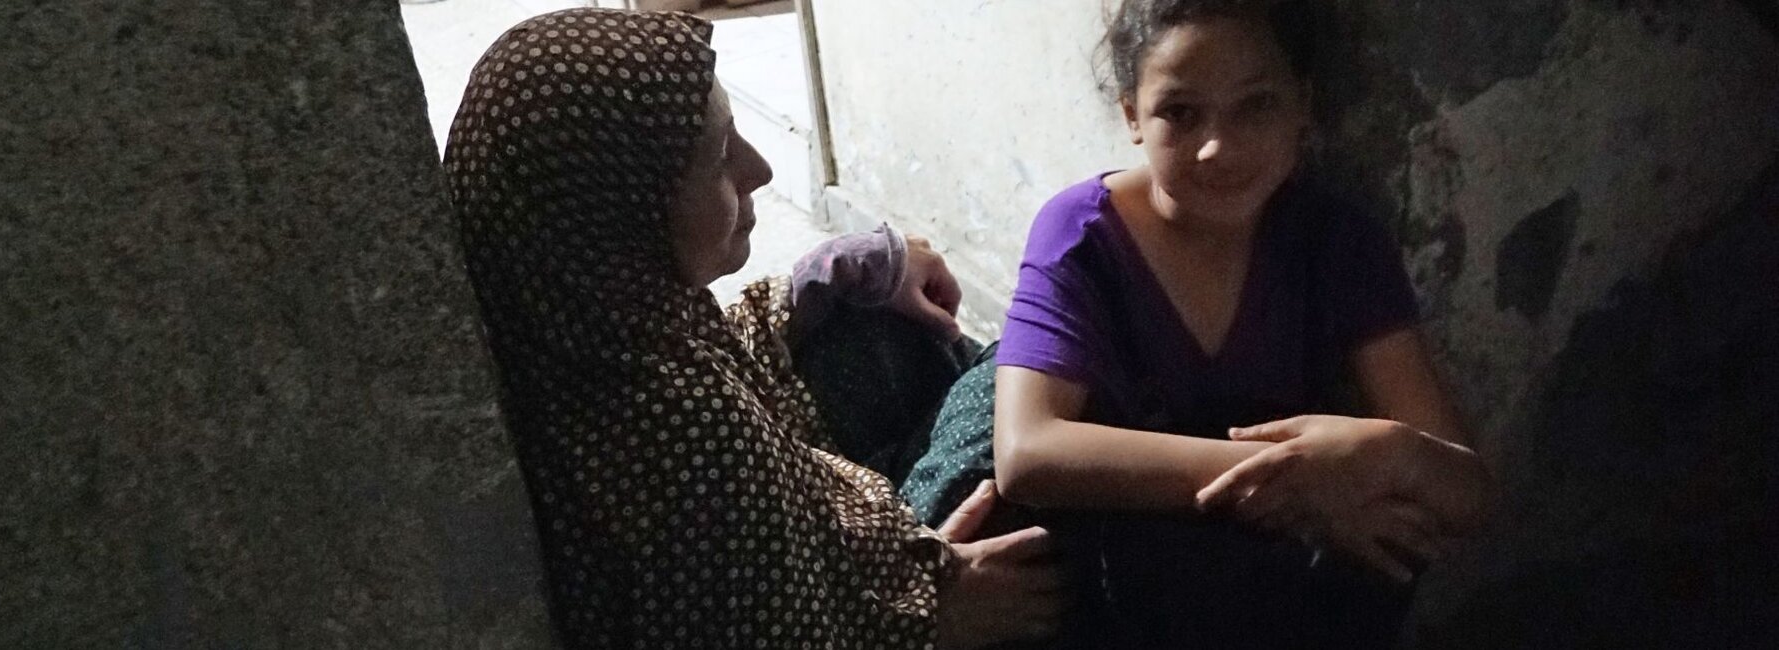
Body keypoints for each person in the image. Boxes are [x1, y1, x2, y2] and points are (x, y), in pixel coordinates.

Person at [441, 8, 1059, 649]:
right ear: (618, 214)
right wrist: (933, 606)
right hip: (880, 594)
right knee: (1022, 377)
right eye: (716, 160)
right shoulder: (686, 432)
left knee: (882, 331)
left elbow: (723, 355)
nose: (759, 168)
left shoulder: (573, 321)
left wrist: (818, 281)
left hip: (832, 530)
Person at [900, 0, 1493, 647]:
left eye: (1256, 105)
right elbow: (1028, 452)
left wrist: (1378, 457)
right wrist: (1297, 480)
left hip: (1248, 569)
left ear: (1303, 105)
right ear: (1132, 115)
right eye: (1180, 113)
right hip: (1115, 553)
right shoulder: (1081, 235)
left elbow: (1466, 493)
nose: (1218, 147)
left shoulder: (1337, 242)